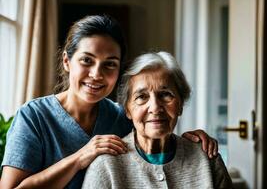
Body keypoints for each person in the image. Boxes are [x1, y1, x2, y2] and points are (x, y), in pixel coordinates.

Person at [0, 15, 218, 189]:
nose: (96, 74)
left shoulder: (120, 117)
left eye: (109, 64)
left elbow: (155, 126)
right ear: (67, 61)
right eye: (87, 60)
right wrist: (79, 158)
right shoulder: (34, 116)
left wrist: (191, 141)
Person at [82, 51, 232, 189]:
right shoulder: (106, 166)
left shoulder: (207, 158)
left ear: (180, 104)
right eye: (142, 97)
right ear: (127, 110)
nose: (155, 107)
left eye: (165, 95)